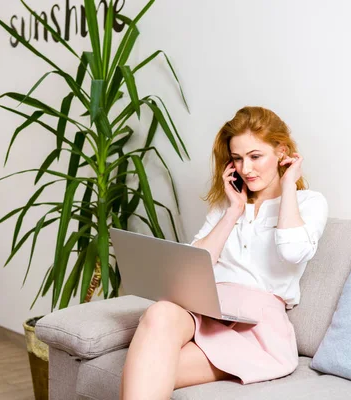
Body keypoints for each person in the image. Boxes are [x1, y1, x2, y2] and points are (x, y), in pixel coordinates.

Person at [120, 106, 329, 400]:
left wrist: (288, 185)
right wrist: (233, 211)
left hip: (256, 328)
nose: (246, 169)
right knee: (160, 311)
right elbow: (191, 267)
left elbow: (293, 252)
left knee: (144, 374)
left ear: (281, 152)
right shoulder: (225, 206)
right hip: (208, 308)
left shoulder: (309, 202)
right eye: (238, 158)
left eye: (256, 156)